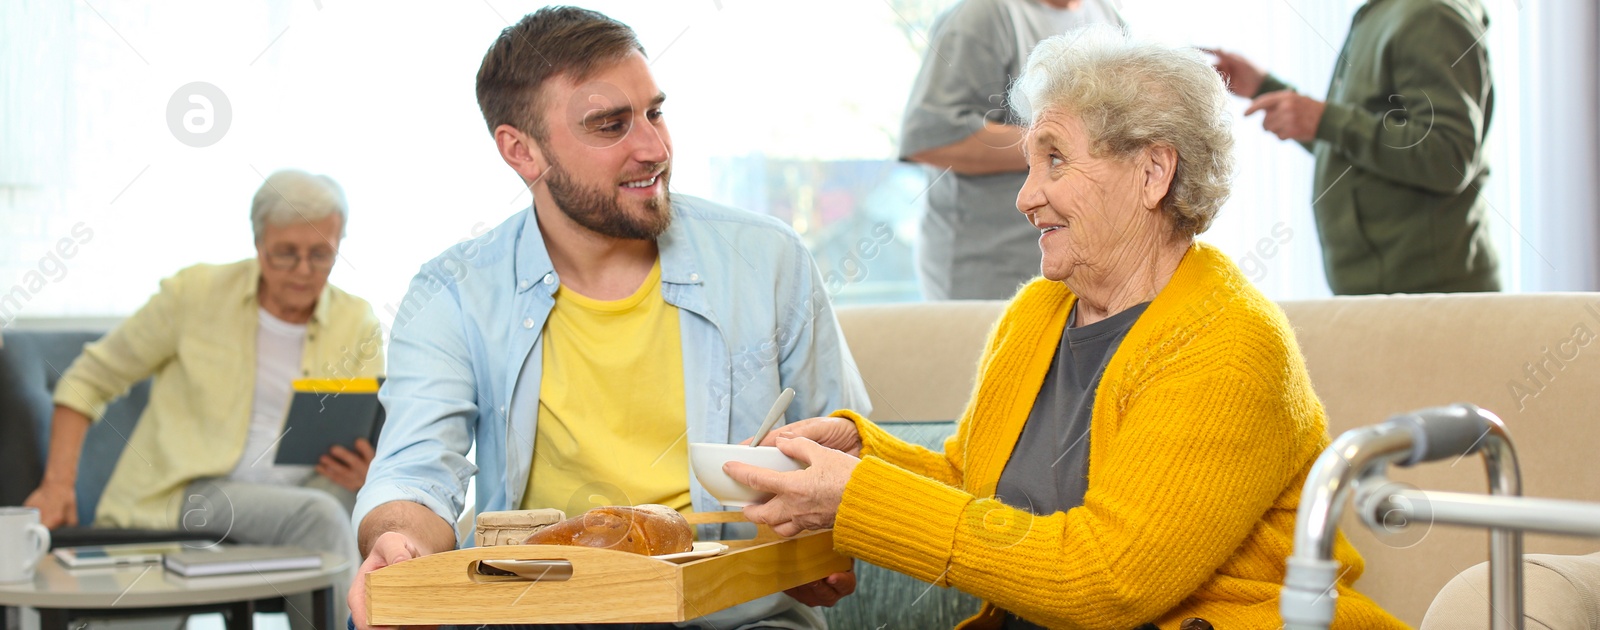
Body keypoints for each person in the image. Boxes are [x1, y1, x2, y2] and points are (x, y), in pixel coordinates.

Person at [726, 29, 1407, 629]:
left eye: (1055, 159)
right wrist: (862, 453)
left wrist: (860, 497)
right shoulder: (1039, 310)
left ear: (1152, 172)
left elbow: (1104, 581)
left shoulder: (1229, 344)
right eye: (1029, 162)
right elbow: (976, 486)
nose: (1026, 195)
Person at [347, 7, 869, 630]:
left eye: (654, 112)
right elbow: (415, 470)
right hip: (540, 615)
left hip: (737, 616)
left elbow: (851, 450)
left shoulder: (768, 258)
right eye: (609, 125)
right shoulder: (451, 293)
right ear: (522, 151)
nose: (654, 148)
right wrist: (398, 541)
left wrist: (829, 537)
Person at [23, 169, 383, 627]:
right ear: (258, 243)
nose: (303, 271)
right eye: (285, 254)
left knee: (371, 511)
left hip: (304, 490)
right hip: (198, 490)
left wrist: (367, 469)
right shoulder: (195, 295)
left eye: (320, 254)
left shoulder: (358, 320)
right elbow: (87, 378)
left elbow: (371, 422)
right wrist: (57, 484)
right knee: (322, 516)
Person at [1206, 0, 1498, 294]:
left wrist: (1326, 119)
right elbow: (1356, 144)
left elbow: (1448, 156)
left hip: (1430, 301)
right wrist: (1264, 88)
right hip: (1392, 297)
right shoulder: (1384, 12)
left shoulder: (1431, 15)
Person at [901, 0, 1124, 300]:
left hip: (1072, 269)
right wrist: (1059, 146)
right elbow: (929, 139)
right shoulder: (986, 14)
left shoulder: (1106, 15)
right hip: (988, 272)